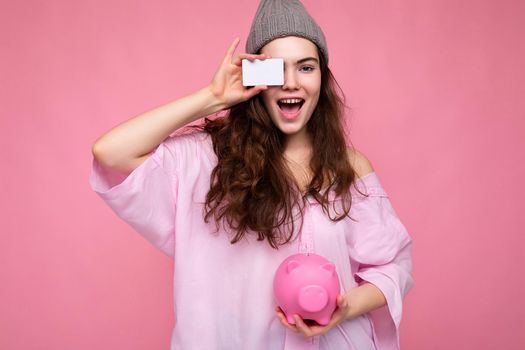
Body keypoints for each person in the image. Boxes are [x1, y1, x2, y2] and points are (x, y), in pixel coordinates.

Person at [89, 0, 414, 349]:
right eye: (277, 70)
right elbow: (111, 152)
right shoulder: (206, 160)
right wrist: (212, 97)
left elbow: (391, 267)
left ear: (322, 76)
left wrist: (343, 308)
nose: (292, 83)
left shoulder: (349, 167)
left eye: (306, 67)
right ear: (256, 78)